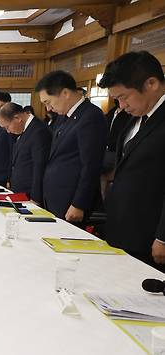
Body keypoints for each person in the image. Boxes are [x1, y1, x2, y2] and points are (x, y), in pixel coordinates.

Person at [98, 51, 165, 271]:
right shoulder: (134, 119)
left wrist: (162, 237)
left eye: (124, 96)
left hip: (150, 235)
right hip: (122, 227)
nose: (121, 105)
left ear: (151, 83)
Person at [36, 70, 106, 222]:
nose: (48, 109)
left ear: (65, 93)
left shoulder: (90, 116)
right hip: (55, 197)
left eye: (48, 102)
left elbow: (91, 164)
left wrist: (79, 203)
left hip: (70, 201)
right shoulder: (63, 117)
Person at [0, 102, 51, 205]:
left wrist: (36, 198)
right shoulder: (24, 130)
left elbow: (39, 167)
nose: (8, 131)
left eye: (7, 127)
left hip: (30, 194)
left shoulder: (38, 131)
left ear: (17, 118)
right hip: (19, 191)